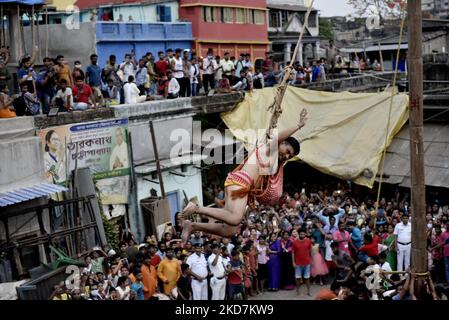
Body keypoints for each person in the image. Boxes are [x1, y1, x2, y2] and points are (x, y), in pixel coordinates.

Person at [180, 109, 308, 241]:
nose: (286, 156)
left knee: (230, 230)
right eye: (287, 151)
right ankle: (196, 208)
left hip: (240, 185)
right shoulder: (268, 149)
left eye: (290, 156)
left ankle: (193, 226)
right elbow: (277, 139)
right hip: (241, 182)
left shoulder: (275, 162)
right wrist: (298, 126)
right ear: (282, 143)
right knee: (235, 218)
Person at [291, 229, 312, 296]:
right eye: (301, 234)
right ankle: (297, 291)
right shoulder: (295, 242)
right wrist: (293, 262)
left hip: (307, 263)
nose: (302, 235)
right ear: (299, 234)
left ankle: (308, 291)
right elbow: (293, 253)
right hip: (298, 263)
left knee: (307, 278)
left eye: (303, 234)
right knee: (298, 278)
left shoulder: (308, 241)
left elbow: (310, 251)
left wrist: (310, 260)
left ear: (305, 234)